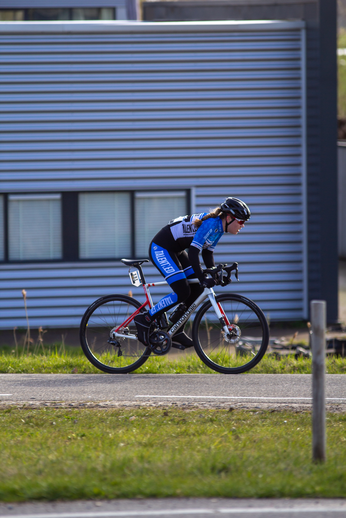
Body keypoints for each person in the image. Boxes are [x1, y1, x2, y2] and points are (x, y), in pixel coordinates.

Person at [134, 197, 251, 349]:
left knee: (197, 288)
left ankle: (176, 329)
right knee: (182, 291)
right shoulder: (211, 224)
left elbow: (207, 254)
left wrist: (215, 275)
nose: (242, 225)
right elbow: (194, 253)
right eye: (241, 221)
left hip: (176, 250)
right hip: (161, 248)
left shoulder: (219, 228)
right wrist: (203, 276)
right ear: (229, 218)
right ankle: (146, 318)